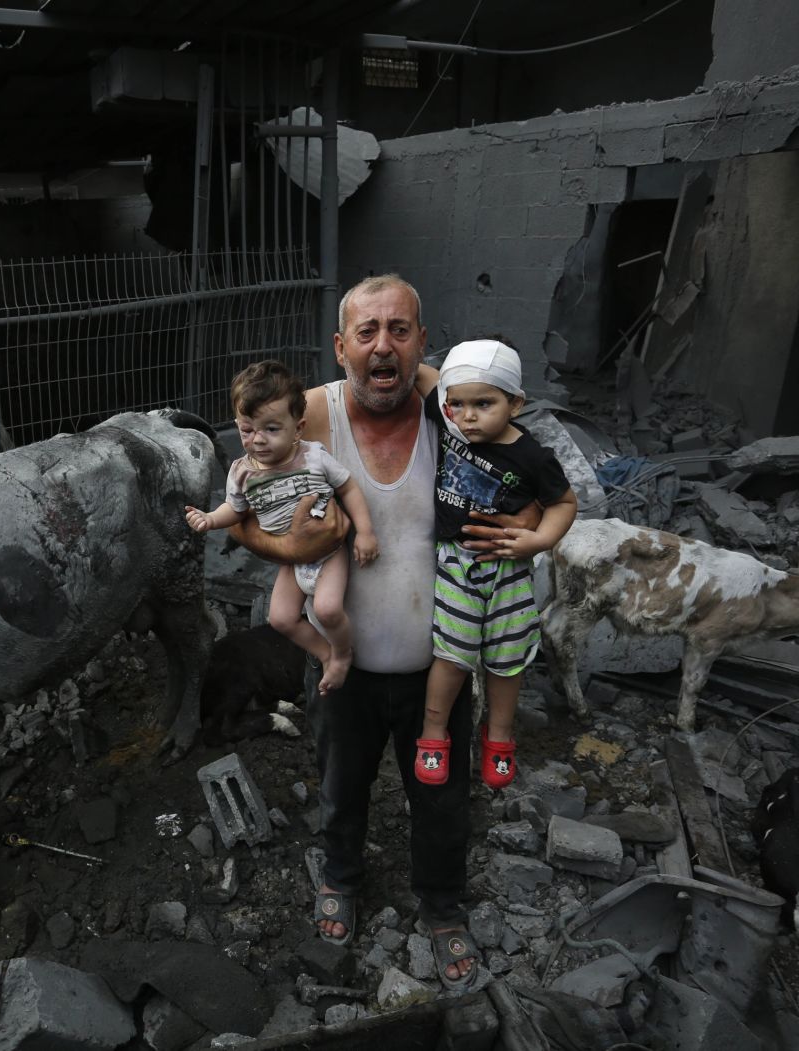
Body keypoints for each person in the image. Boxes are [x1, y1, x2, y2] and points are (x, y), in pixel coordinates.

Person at [230, 274, 539, 990]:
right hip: (346, 666)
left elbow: (532, 462)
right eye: (366, 332)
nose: (383, 346)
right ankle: (340, 876)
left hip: (442, 664)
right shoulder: (308, 417)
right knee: (342, 781)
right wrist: (297, 549)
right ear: (339, 347)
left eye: (400, 330)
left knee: (442, 796)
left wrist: (444, 386)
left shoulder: (455, 417)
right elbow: (244, 509)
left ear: (424, 346)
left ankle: (442, 905)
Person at [415, 340, 577, 790]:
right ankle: (433, 732)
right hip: (455, 563)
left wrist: (539, 540)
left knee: (507, 659)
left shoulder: (532, 456)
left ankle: (500, 736)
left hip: (507, 571)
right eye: (458, 404)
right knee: (451, 653)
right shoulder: (451, 425)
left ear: (515, 403)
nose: (468, 416)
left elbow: (564, 502)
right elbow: (427, 377)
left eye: (484, 404)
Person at [185, 360, 379, 693]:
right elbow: (235, 509)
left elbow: (348, 487)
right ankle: (326, 654)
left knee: (328, 609)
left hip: (329, 551)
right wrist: (209, 519)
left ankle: (344, 654)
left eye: (271, 429)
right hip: (292, 559)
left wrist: (364, 531)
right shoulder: (242, 471)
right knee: (280, 619)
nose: (257, 440)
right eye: (247, 430)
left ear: (298, 428)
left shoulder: (313, 457)